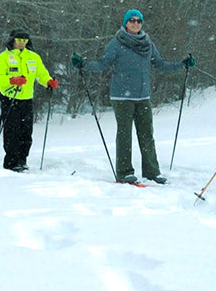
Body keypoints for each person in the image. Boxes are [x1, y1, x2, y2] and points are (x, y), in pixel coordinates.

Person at [71, 9, 193, 185]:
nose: (136, 23)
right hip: (122, 97)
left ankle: (152, 172)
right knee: (124, 134)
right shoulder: (117, 43)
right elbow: (102, 64)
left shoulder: (148, 44)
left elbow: (160, 64)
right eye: (132, 20)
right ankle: (124, 172)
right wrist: (83, 64)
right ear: (125, 23)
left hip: (143, 96)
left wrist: (182, 65)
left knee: (147, 134)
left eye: (139, 21)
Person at [0, 29, 57, 172]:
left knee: (26, 132)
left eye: (24, 41)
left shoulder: (33, 57)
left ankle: (22, 159)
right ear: (12, 40)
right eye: (19, 40)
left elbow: (41, 74)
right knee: (12, 132)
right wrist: (11, 80)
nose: (21, 43)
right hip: (10, 98)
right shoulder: (3, 57)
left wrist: (48, 82)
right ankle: (11, 162)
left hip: (27, 99)